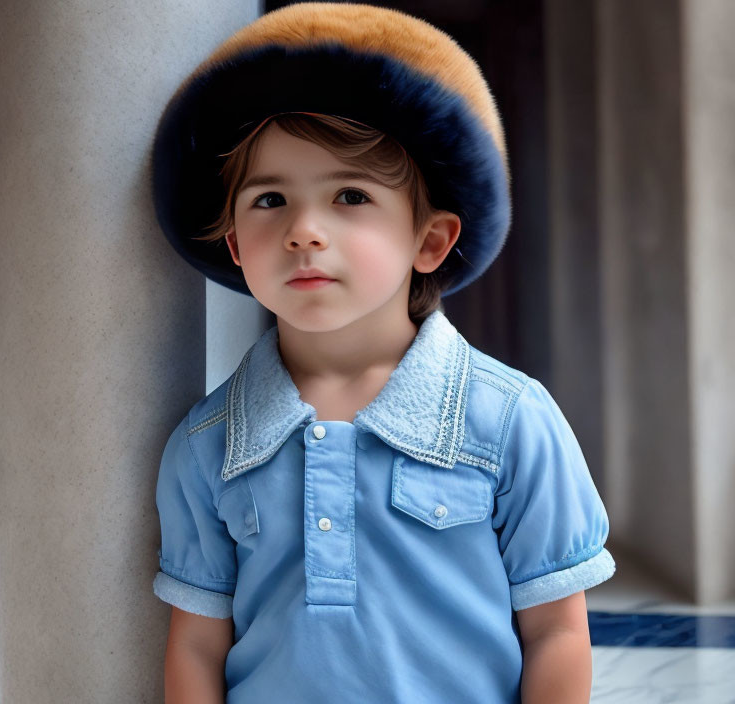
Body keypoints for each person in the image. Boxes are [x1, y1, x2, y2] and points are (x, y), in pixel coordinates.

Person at [148, 4, 615, 703]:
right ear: (237, 246)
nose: (305, 231)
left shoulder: (511, 422)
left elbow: (555, 631)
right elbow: (196, 643)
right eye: (271, 198)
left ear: (429, 240)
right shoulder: (207, 445)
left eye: (350, 195)